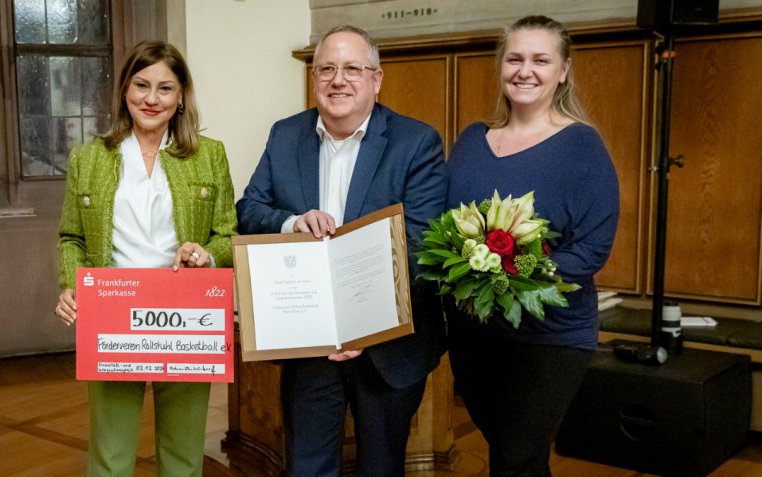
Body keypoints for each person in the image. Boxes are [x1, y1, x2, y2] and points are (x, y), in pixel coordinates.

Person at [236, 25, 447, 477]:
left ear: (377, 78)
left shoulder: (416, 143)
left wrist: (360, 323)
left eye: (352, 68)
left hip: (388, 348)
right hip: (308, 342)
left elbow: (424, 246)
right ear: (313, 79)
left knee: (381, 468)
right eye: (327, 68)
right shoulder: (284, 135)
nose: (338, 79)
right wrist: (292, 222)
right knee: (308, 467)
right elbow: (249, 209)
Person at [445, 15, 620, 477]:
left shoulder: (582, 146)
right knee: (510, 452)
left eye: (541, 60)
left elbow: (590, 250)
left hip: (551, 335)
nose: (525, 70)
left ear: (563, 70)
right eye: (515, 58)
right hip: (473, 332)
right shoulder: (470, 140)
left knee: (516, 455)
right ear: (501, 66)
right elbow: (445, 230)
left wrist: (503, 274)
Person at [53, 40, 237, 476]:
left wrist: (206, 255)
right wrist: (70, 284)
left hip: (188, 315)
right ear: (124, 90)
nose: (151, 99)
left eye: (165, 88)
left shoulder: (209, 155)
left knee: (183, 455)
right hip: (113, 314)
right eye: (141, 85)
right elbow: (70, 237)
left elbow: (228, 235)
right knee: (111, 456)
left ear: (180, 98)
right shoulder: (88, 158)